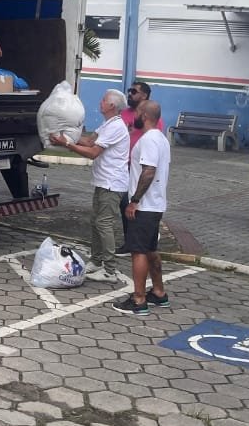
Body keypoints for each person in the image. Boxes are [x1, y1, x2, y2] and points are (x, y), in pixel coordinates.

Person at [50, 89, 130, 284]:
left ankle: (109, 270)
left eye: (104, 100)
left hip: (112, 184)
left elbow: (93, 152)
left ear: (112, 106)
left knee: (104, 223)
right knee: (96, 221)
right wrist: (66, 138)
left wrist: (67, 145)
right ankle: (96, 260)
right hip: (104, 182)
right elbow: (88, 140)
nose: (100, 102)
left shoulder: (116, 126)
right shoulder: (108, 124)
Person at [111, 100, 171, 315]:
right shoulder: (161, 139)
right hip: (155, 204)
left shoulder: (149, 140)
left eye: (137, 112)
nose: (134, 115)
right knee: (151, 249)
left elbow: (148, 171)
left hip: (144, 206)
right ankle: (159, 292)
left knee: (138, 251)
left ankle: (138, 299)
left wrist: (134, 200)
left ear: (144, 115)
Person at [116, 80, 165, 255]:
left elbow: (150, 169)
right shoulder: (124, 115)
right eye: (129, 91)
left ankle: (137, 242)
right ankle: (129, 240)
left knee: (134, 204)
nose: (130, 94)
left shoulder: (152, 129)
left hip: (142, 167)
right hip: (124, 165)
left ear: (144, 95)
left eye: (134, 91)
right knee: (124, 204)